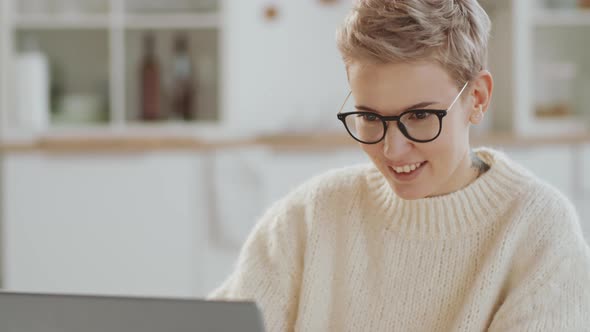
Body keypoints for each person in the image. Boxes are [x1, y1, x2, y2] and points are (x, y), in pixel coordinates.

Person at [209, 0, 590, 330]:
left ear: (476, 97)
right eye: (370, 118)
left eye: (420, 115)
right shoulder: (310, 217)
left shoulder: (538, 231)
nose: (393, 149)